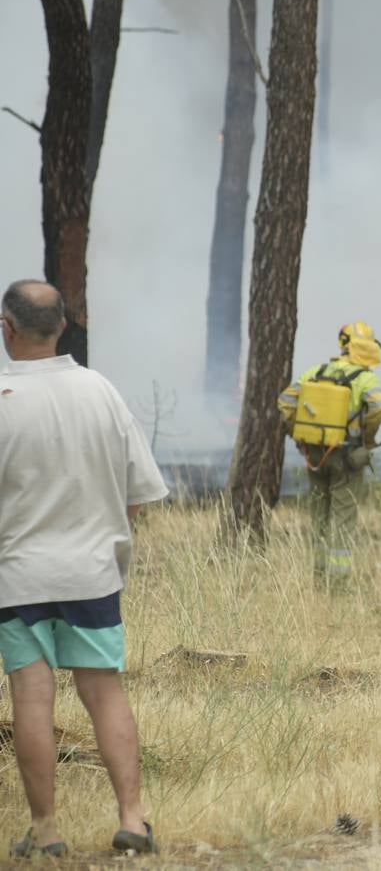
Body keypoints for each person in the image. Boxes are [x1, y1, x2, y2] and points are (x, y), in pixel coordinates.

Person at [0, 280, 166, 857]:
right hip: (93, 574)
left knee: (32, 697)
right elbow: (137, 496)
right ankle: (133, 819)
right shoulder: (100, 391)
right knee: (105, 693)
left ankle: (45, 831)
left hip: (19, 578)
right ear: (63, 326)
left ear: (7, 329)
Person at [278, 322, 381, 583]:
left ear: (342, 344)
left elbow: (285, 402)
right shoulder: (366, 378)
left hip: (313, 453)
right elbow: (379, 408)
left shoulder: (316, 371)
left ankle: (318, 575)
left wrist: (299, 433)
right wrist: (368, 441)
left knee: (319, 513)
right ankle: (338, 584)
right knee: (343, 515)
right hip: (347, 456)